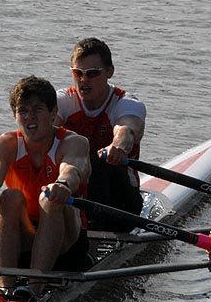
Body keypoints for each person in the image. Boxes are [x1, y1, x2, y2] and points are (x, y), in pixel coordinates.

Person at [0, 76, 91, 299]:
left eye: (37, 109)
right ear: (15, 116)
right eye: (23, 110)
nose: (29, 117)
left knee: (49, 198)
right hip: (27, 236)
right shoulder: (3, 144)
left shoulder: (73, 142)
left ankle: (33, 288)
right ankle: (5, 287)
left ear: (53, 114)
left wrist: (63, 184)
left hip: (67, 243)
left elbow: (72, 169)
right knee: (8, 197)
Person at [55, 37, 146, 231]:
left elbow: (126, 129)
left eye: (92, 73)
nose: (83, 80)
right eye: (77, 73)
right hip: (73, 192)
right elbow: (46, 127)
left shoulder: (126, 103)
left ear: (109, 72)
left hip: (121, 202)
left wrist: (119, 146)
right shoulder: (62, 101)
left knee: (95, 158)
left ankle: (94, 231)